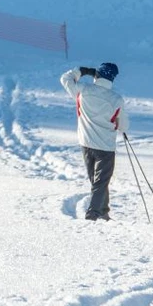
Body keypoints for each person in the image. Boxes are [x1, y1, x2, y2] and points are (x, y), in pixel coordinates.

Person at [60, 63, 127, 221]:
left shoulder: (83, 90)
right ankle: (93, 214)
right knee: (101, 182)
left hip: (86, 143)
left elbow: (65, 79)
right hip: (105, 146)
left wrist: (81, 71)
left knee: (96, 181)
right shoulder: (116, 99)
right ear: (112, 78)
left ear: (96, 74)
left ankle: (103, 211)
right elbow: (123, 125)